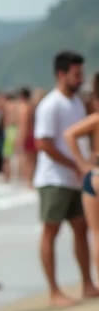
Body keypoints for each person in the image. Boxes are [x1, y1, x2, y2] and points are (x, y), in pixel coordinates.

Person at [34, 51, 99, 306]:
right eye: (76, 74)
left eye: (82, 74)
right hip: (53, 178)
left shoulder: (75, 103)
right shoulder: (50, 105)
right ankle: (54, 291)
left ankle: (88, 284)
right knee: (51, 231)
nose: (80, 79)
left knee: (81, 230)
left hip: (75, 177)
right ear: (61, 75)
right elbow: (43, 143)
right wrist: (76, 164)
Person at [63, 72, 99, 283]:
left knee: (96, 233)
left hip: (94, 173)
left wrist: (82, 164)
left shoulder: (95, 119)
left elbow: (69, 134)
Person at [16, 87, 36, 187]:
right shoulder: (31, 106)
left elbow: (24, 125)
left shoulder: (24, 108)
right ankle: (30, 181)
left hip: (28, 136)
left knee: (28, 160)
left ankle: (29, 182)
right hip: (33, 134)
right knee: (32, 160)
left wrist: (21, 139)